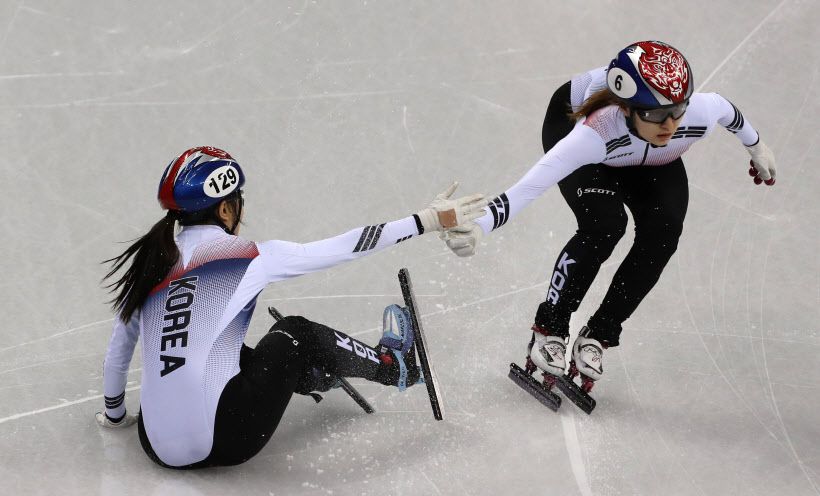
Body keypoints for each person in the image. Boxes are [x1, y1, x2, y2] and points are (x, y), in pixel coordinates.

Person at [96, 146, 487, 468]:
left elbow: (118, 354)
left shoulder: (152, 264)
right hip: (228, 438)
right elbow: (346, 246)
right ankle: (393, 367)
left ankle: (314, 374)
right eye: (238, 203)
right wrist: (427, 220)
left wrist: (116, 416)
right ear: (226, 210)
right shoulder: (248, 255)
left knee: (219, 348)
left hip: (154, 445)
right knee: (296, 333)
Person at [442, 41, 777, 393]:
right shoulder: (594, 134)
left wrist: (756, 147)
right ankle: (550, 328)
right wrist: (480, 225)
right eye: (655, 113)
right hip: (584, 137)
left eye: (677, 110)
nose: (670, 124)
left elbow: (727, 110)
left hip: (649, 156)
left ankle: (599, 335)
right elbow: (529, 186)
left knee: (664, 232)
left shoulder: (694, 115)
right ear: (627, 107)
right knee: (605, 225)